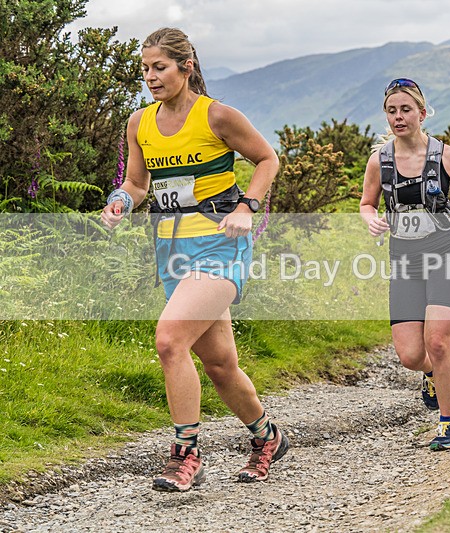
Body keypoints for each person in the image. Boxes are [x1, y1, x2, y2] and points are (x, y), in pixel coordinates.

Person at [101, 28, 286, 492]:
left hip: (221, 245)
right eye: (145, 69)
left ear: (186, 67)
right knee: (220, 363)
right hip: (173, 251)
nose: (151, 77)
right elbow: (139, 184)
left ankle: (187, 456)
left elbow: (267, 159)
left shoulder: (216, 115)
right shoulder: (138, 122)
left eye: (159, 67)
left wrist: (248, 206)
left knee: (169, 340)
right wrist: (121, 200)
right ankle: (267, 437)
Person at [359, 78, 450, 451]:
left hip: (446, 252)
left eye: (405, 110)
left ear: (421, 112)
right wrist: (370, 218)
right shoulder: (380, 160)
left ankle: (449, 424)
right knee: (410, 356)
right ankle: (433, 373)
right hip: (404, 258)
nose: (398, 117)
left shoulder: (447, 156)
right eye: (391, 111)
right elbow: (367, 203)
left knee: (437, 341)